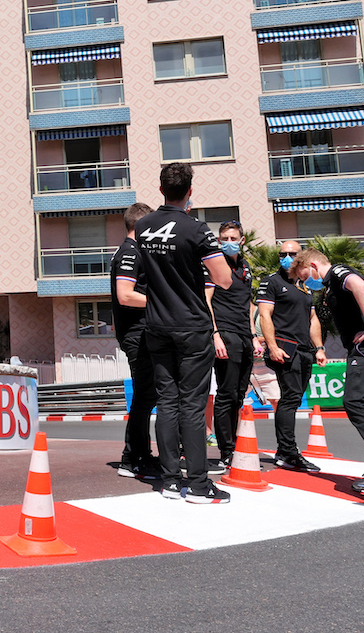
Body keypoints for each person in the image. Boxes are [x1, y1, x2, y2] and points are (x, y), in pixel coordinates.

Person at [134, 163, 232, 504]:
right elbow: (223, 279)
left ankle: (171, 481)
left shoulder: (143, 226)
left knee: (167, 402)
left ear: (161, 189)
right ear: (190, 191)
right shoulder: (197, 228)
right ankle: (200, 486)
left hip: (157, 325)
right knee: (192, 405)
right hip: (191, 326)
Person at [292, 249, 364, 498]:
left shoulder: (338, 272)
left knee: (354, 402)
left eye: (305, 275)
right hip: (363, 349)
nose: (307, 281)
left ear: (313, 264)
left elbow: (361, 287)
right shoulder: (330, 284)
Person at [255, 240, 326, 472]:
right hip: (286, 349)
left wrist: (319, 348)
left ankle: (287, 451)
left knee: (294, 399)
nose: (286, 257)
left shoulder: (305, 285)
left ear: (302, 257)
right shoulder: (271, 282)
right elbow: (265, 316)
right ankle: (286, 452)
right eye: (282, 254)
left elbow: (312, 319)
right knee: (289, 398)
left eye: (291, 253)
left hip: (306, 350)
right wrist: (273, 347)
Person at [110, 202, 161, 479]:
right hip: (136, 332)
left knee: (148, 395)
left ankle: (142, 454)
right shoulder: (130, 252)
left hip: (141, 330)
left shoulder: (134, 251)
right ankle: (132, 458)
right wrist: (162, 302)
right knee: (145, 396)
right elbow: (125, 295)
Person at [204, 220, 260, 472]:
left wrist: (254, 336)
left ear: (242, 240)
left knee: (238, 393)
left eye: (232, 238)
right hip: (225, 334)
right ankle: (226, 451)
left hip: (244, 337)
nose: (228, 242)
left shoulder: (245, 268)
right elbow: (206, 302)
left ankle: (235, 444)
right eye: (223, 238)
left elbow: (248, 305)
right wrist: (215, 335)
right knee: (226, 394)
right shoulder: (214, 266)